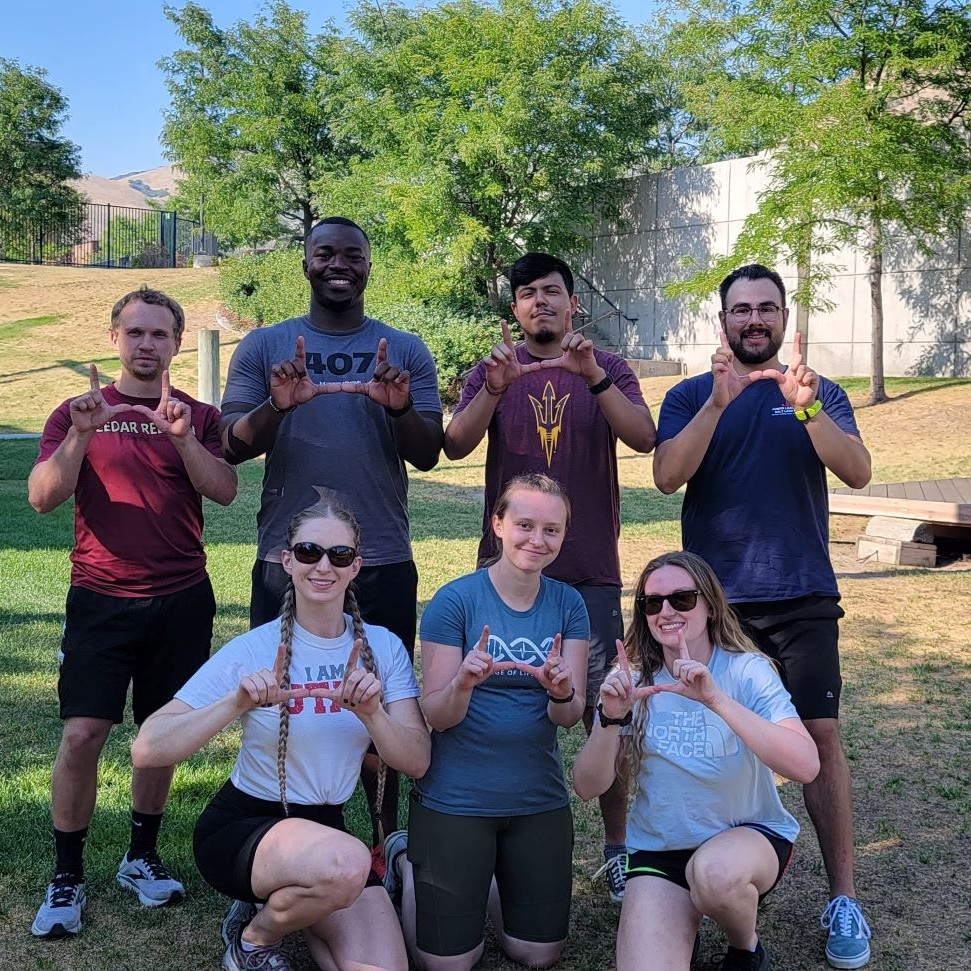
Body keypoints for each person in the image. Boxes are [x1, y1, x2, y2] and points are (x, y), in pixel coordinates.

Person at [653, 264, 874, 969]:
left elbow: (857, 472)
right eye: (740, 309)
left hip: (802, 592)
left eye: (765, 308)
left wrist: (807, 409)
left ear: (783, 317)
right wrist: (716, 405)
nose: (754, 319)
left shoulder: (816, 392)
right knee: (709, 731)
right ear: (723, 321)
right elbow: (665, 474)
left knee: (817, 737)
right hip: (713, 603)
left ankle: (841, 896)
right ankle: (703, 875)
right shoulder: (691, 393)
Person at [218, 215, 443, 852]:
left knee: (383, 704)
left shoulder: (405, 349)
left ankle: (382, 841)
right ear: (306, 263)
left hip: (380, 556)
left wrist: (397, 409)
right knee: (280, 704)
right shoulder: (265, 347)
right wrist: (276, 406)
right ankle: (278, 841)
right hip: (287, 559)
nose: (337, 264)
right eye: (324, 254)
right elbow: (232, 445)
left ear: (369, 265)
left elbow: (428, 453)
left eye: (351, 254)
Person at [132, 496, 430, 971]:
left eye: (340, 555)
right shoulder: (254, 648)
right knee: (347, 864)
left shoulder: (384, 647)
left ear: (356, 566)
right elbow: (148, 749)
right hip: (244, 826)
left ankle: (300, 900)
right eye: (309, 551)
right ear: (288, 560)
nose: (323, 566)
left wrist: (373, 715)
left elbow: (416, 760)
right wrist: (236, 703)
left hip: (326, 834)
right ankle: (254, 938)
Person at [27, 287, 238, 939]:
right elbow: (42, 497)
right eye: (135, 332)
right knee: (83, 734)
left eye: (159, 334)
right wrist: (81, 436)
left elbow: (224, 489)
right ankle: (67, 874)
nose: (147, 343)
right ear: (115, 337)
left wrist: (181, 438)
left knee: (157, 736)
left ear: (176, 343)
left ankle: (139, 856)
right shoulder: (77, 410)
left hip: (180, 597)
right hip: (100, 597)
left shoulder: (197, 414)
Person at [444, 252, 656, 901]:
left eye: (552, 291)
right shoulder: (494, 370)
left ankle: (617, 849)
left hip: (588, 572)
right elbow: (453, 443)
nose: (541, 301)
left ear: (572, 305)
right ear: (514, 308)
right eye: (528, 292)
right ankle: (488, 835)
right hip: (504, 575)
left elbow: (644, 437)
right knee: (495, 703)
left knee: (602, 712)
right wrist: (492, 387)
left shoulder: (607, 367)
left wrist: (591, 377)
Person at [573, 551, 820, 971]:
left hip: (747, 838)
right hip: (661, 849)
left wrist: (715, 700)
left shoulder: (747, 671)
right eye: (652, 603)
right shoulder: (634, 681)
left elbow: (805, 766)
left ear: (708, 605)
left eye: (682, 599)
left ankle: (745, 948)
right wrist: (610, 717)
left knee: (715, 875)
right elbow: (586, 785)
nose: (666, 611)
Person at [383, 473, 589, 971]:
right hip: (456, 799)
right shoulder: (455, 601)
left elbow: (570, 716)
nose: (536, 540)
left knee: (536, 954)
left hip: (536, 798)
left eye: (551, 530)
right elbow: (436, 714)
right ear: (498, 524)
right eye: (524, 524)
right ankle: (409, 862)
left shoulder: (568, 604)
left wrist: (561, 692)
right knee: (447, 964)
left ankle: (489, 872)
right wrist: (461, 685)